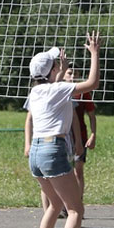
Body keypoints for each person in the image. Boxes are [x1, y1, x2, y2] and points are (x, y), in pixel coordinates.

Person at [24, 33, 101, 228]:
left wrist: (60, 67)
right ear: (52, 71)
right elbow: (92, 84)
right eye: (57, 63)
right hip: (53, 150)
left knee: (54, 204)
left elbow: (54, 82)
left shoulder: (36, 91)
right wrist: (95, 53)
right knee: (76, 208)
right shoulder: (57, 90)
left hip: (36, 152)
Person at [40, 66, 96, 219]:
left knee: (78, 171)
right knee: (51, 178)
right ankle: (56, 208)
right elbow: (30, 119)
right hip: (56, 140)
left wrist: (91, 135)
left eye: (76, 73)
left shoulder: (82, 93)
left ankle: (75, 203)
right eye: (70, 73)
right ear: (63, 74)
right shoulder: (53, 91)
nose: (73, 76)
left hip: (77, 138)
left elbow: (88, 116)